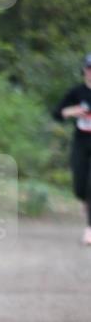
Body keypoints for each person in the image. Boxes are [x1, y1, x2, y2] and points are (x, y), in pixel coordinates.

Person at [52, 54, 91, 246]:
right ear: (84, 70)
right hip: (81, 142)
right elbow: (57, 113)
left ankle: (89, 230)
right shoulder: (76, 92)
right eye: (90, 68)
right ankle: (85, 202)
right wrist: (73, 111)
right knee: (80, 187)